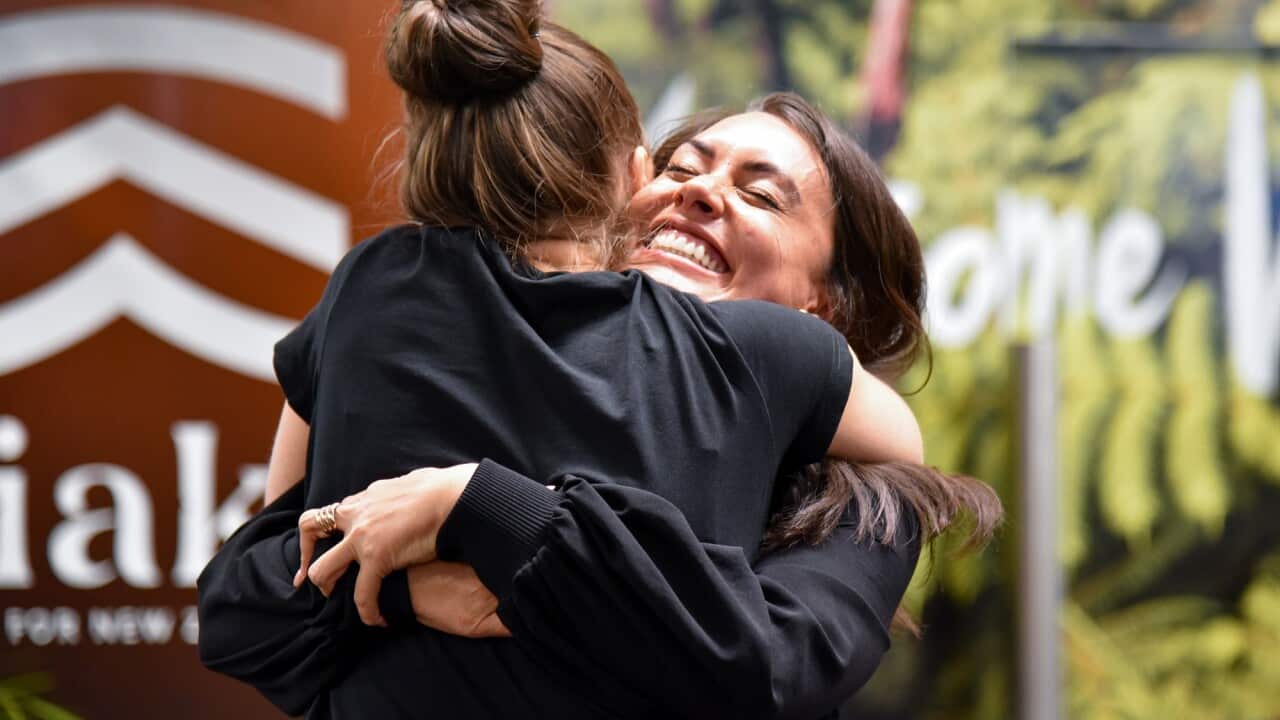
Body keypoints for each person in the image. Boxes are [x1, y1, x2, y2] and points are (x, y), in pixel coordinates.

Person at [197, 2, 1001, 719]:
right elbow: (249, 597)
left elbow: (763, 671)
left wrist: (481, 512)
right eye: (681, 169)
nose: (698, 193)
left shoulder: (868, 505)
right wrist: (412, 589)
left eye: (760, 195)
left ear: (825, 308)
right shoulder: (418, 319)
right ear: (625, 191)